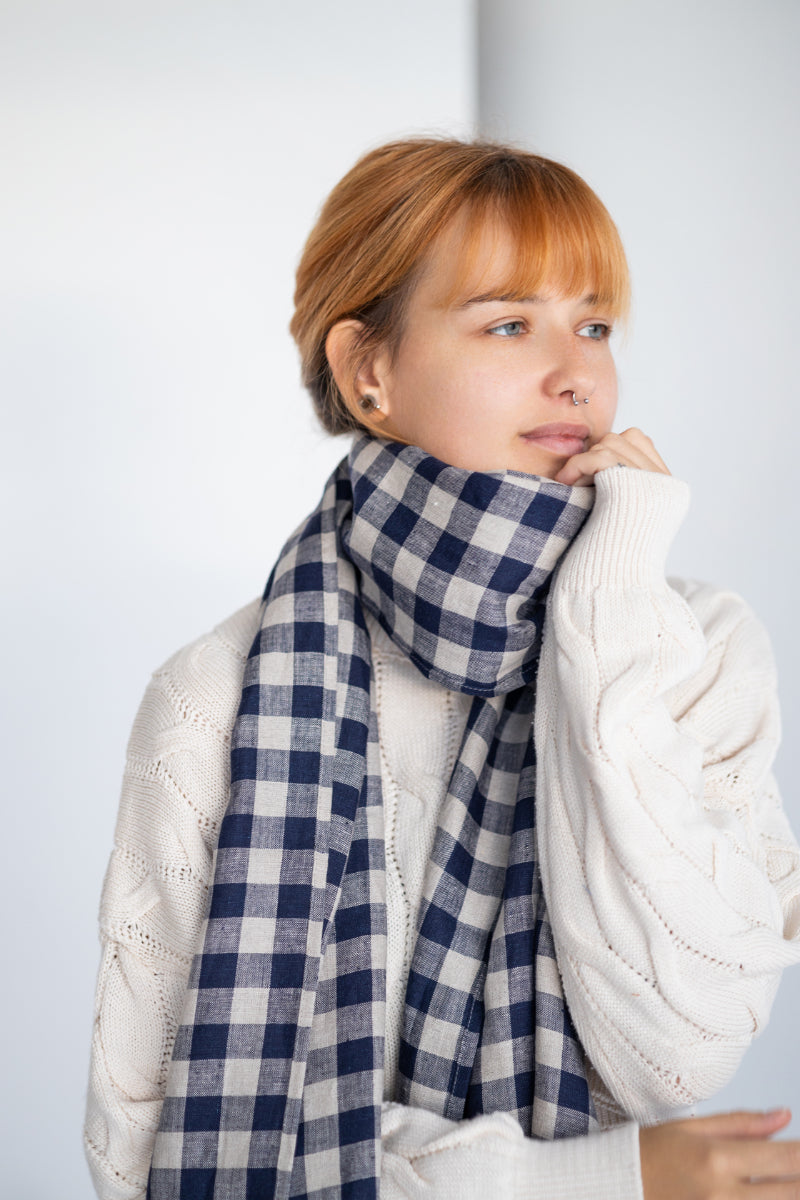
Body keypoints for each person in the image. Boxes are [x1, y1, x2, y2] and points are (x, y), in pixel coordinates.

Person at [84, 138, 800, 1200]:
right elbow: (151, 1161)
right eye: (509, 323)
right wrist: (598, 1184)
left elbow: (678, 1051)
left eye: (592, 325)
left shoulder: (691, 648)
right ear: (367, 371)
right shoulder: (214, 699)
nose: (575, 373)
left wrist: (605, 618)